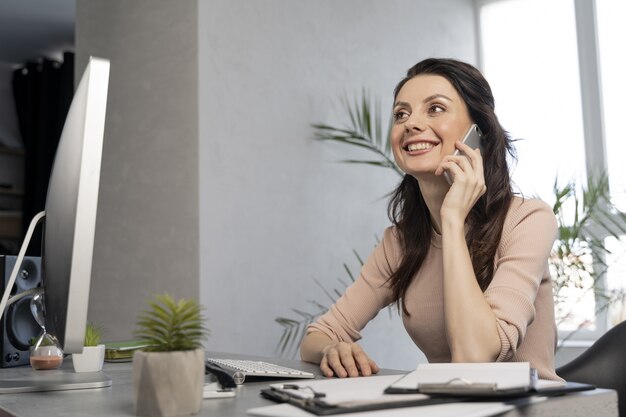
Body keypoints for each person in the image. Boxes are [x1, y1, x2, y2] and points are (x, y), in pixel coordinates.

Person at [300, 58, 561, 381]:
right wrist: (331, 349)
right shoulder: (399, 243)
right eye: (401, 114)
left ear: (478, 132)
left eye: (435, 109)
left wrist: (452, 218)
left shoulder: (528, 221)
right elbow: (318, 335)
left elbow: (476, 359)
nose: (411, 124)